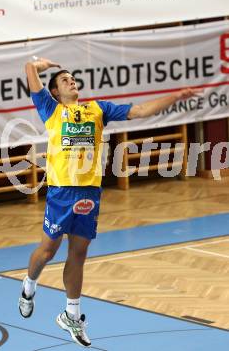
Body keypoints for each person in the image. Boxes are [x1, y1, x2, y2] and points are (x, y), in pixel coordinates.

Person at [18, 57, 202, 347]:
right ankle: (29, 286)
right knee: (47, 251)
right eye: (64, 80)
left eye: (73, 77)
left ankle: (71, 314)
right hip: (61, 193)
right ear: (55, 91)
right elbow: (30, 73)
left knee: (78, 254)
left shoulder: (97, 109)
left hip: (89, 193)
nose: (71, 81)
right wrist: (38, 64)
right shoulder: (51, 110)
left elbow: (140, 111)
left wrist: (176, 96)